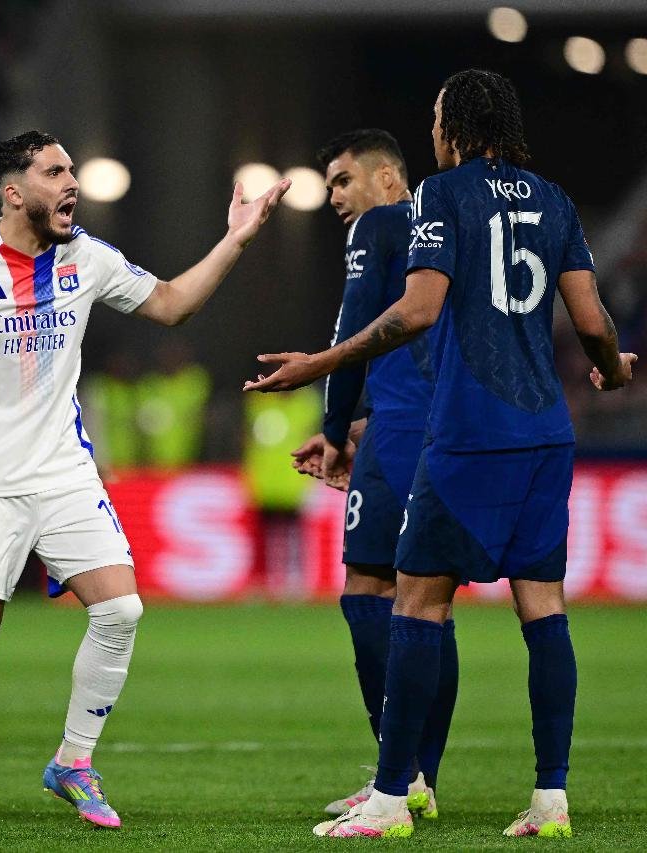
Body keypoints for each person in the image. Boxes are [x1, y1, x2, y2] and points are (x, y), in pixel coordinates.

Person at [244, 69, 636, 840]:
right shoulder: (553, 199)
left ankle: (393, 798)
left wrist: (320, 366)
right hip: (547, 433)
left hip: (467, 433)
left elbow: (417, 312)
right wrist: (616, 366)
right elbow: (591, 319)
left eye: (434, 119)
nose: (430, 132)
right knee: (544, 609)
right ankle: (550, 799)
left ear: (454, 125)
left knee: (418, 601)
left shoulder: (441, 197)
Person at [0, 130, 288, 833]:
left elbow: (174, 303)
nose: (72, 184)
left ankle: (73, 761)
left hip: (64, 471)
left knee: (120, 611)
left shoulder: (86, 257)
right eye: (55, 172)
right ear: (13, 191)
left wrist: (237, 238)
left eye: (72, 172)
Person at [290, 129, 456, 818]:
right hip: (448, 426)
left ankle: (399, 773)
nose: (334, 197)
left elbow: (353, 331)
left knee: (368, 586)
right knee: (432, 601)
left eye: (342, 180)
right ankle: (422, 776)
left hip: (400, 434)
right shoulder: (453, 231)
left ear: (388, 179)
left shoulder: (383, 224)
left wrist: (335, 429)